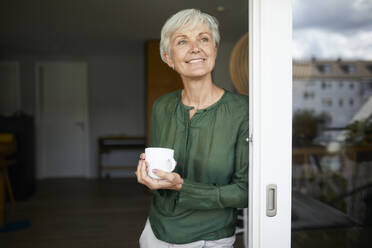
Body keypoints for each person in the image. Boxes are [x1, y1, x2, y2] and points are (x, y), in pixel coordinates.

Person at [136, 8, 249, 248]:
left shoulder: (243, 110)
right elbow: (159, 168)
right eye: (182, 41)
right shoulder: (162, 106)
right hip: (156, 231)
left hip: (210, 237)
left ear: (215, 50)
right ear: (168, 57)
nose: (195, 47)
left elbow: (244, 192)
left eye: (204, 38)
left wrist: (181, 186)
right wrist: (148, 176)